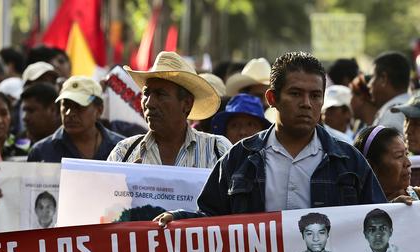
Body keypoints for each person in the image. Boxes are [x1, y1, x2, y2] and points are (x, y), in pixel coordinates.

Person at [156, 51, 386, 225]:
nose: (306, 103)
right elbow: (210, 218)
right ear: (272, 98)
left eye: (315, 96)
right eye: (295, 94)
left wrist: (401, 211)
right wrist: (178, 220)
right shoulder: (239, 158)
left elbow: (377, 220)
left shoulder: (348, 161)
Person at [108, 51, 230, 166]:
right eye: (146, 93)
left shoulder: (218, 150)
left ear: (187, 103)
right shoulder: (123, 153)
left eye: (160, 94)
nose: (149, 103)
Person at [28, 76, 124, 162]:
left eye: (79, 106)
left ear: (99, 110)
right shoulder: (40, 152)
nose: (69, 113)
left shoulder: (122, 149)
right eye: (65, 106)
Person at [354, 125, 419, 202]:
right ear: (371, 166)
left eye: (407, 154)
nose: (408, 163)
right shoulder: (354, 205)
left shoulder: (417, 195)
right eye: (399, 156)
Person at [368, 51, 411, 133]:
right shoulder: (410, 107)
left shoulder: (393, 115)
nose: (369, 84)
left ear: (384, 78)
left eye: (373, 77)